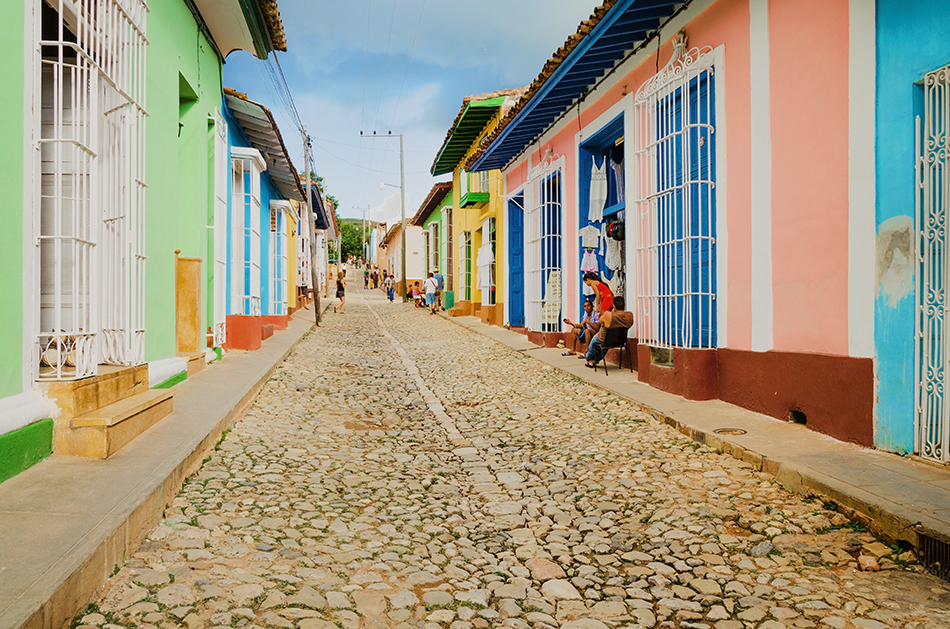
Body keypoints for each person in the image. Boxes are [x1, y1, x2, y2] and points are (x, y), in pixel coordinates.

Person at [585, 296, 633, 368]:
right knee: (605, 345)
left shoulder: (608, 315)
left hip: (603, 339)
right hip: (620, 340)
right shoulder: (630, 315)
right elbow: (629, 325)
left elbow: (600, 321)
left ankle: (588, 357)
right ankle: (592, 361)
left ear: (614, 306)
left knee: (594, 342)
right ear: (624, 305)